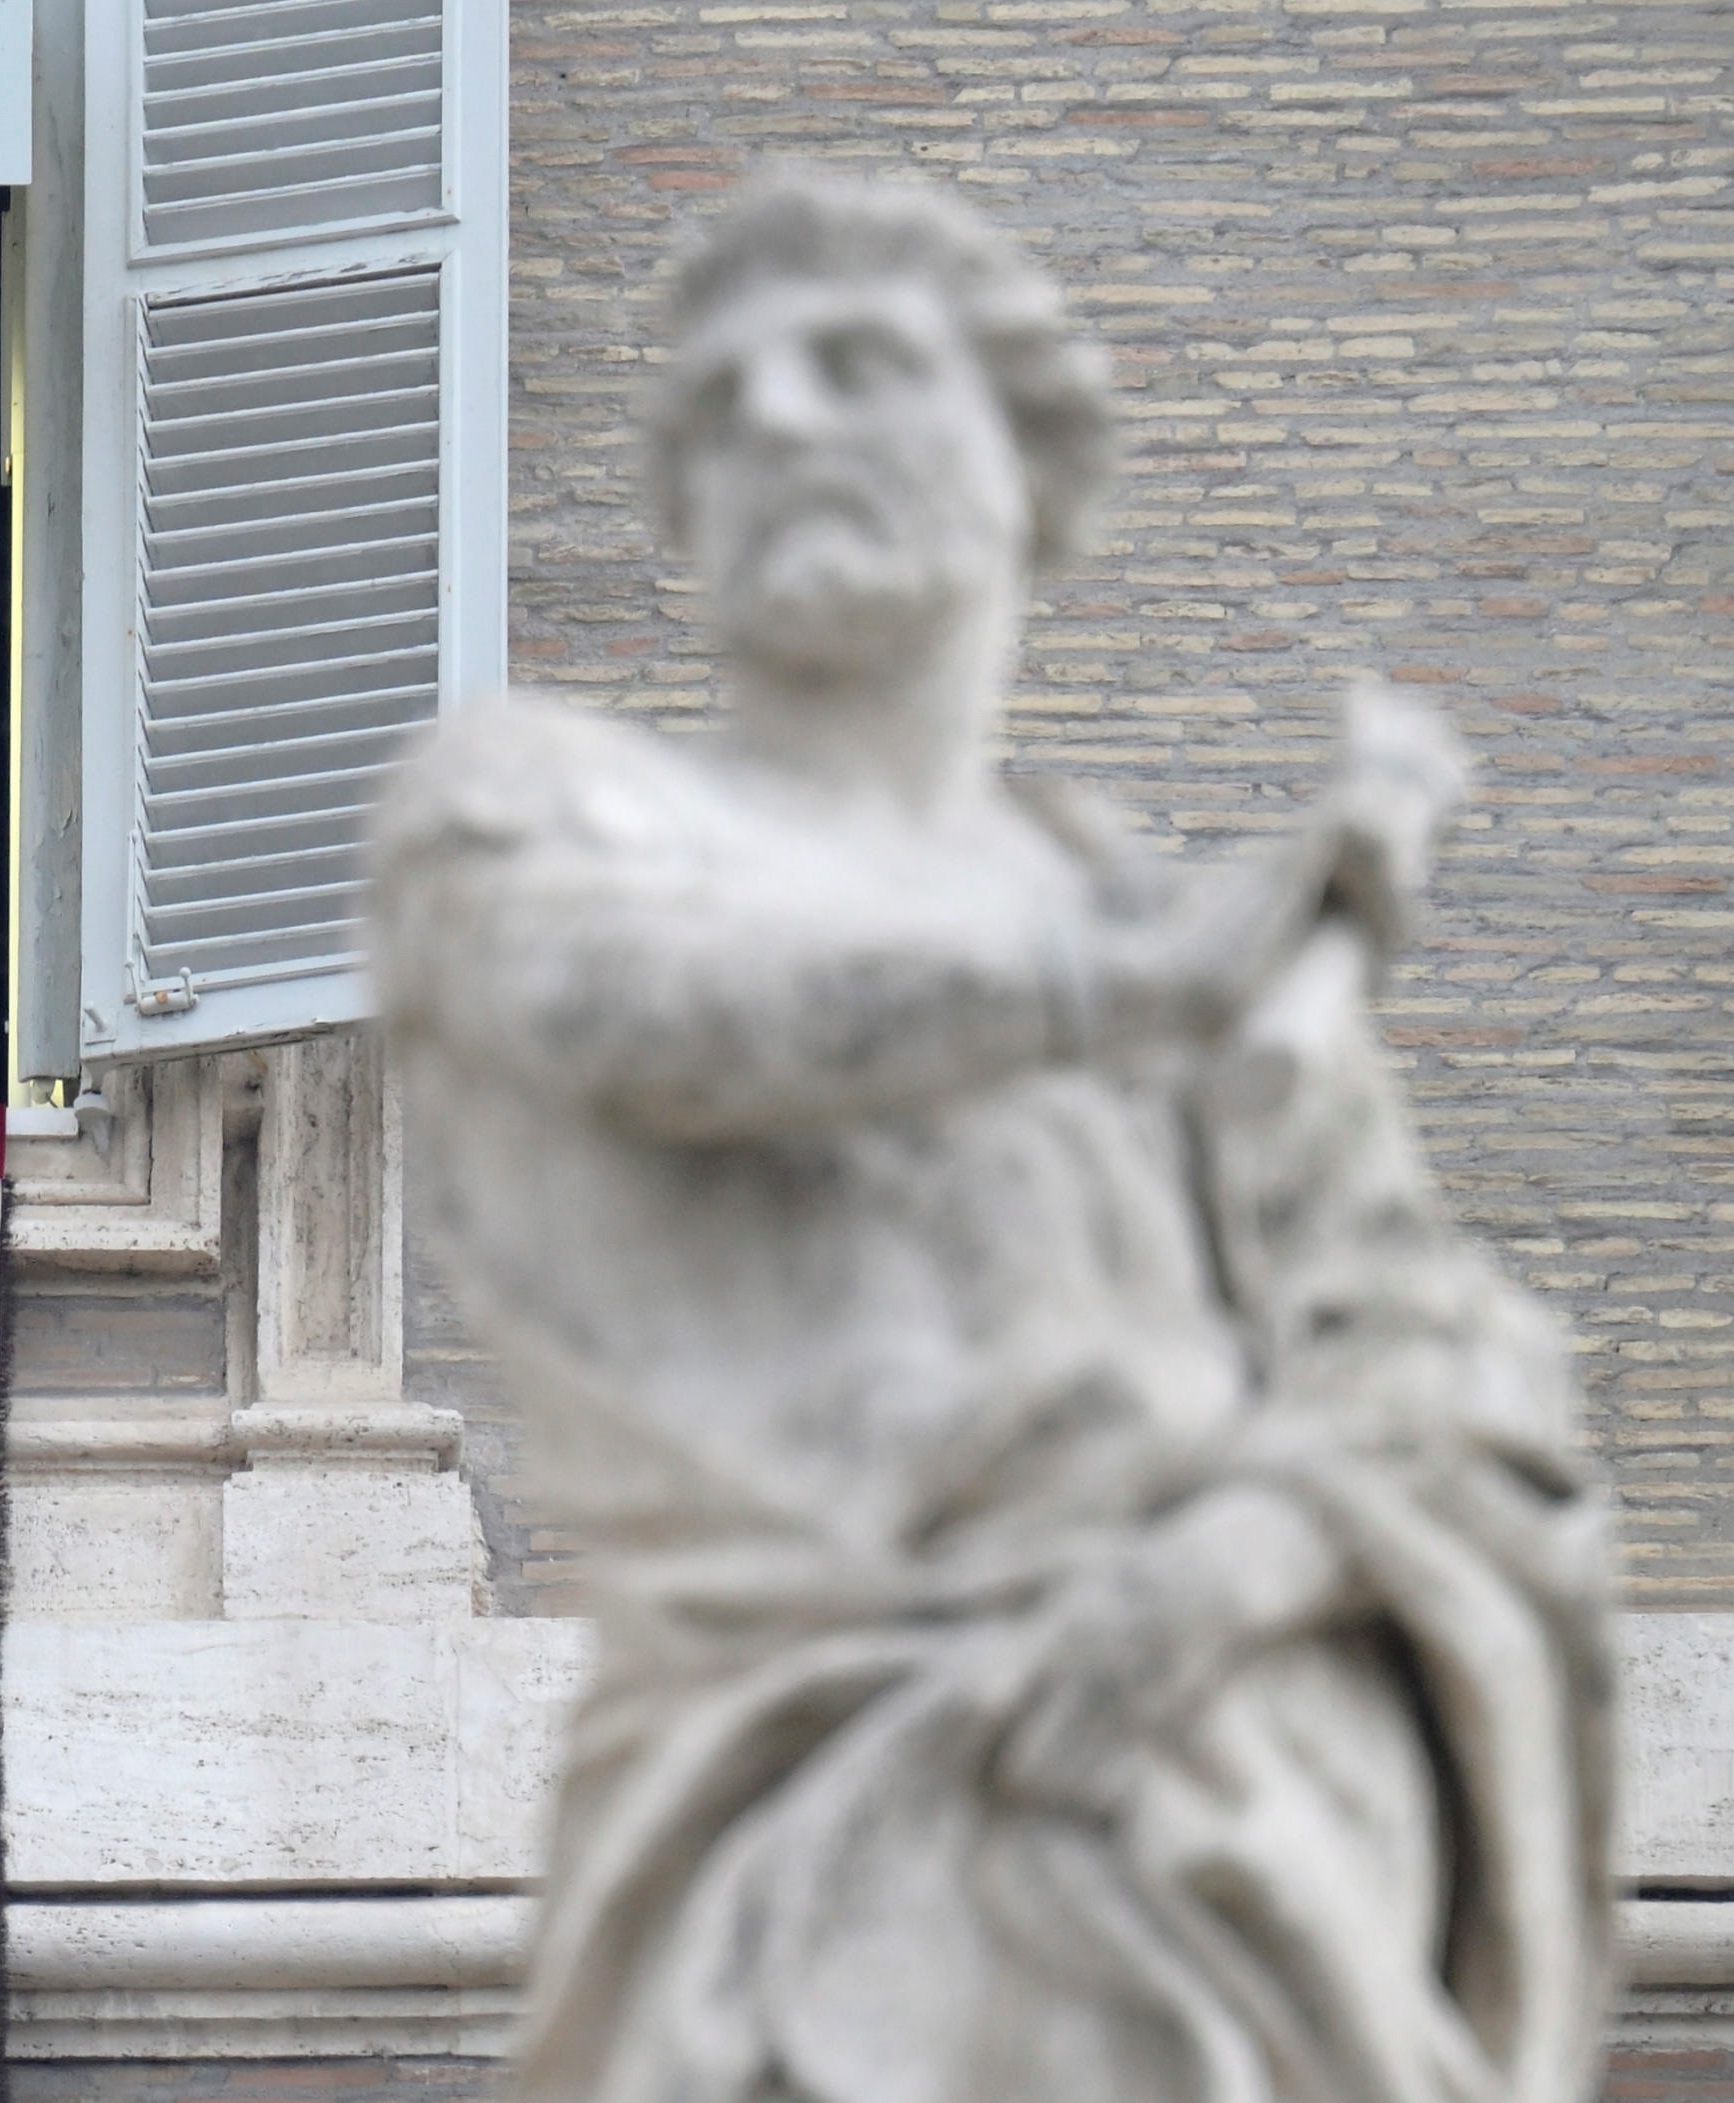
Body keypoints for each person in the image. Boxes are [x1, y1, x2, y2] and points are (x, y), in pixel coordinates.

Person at [371, 175, 1612, 2103]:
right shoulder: (551, 806)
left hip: (1263, 1837)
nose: (773, 419)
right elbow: (644, 1016)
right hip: (824, 1849)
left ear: (1026, 465)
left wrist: (1237, 1560)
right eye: (718, 404)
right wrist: (1150, 977)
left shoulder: (1148, 922)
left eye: (855, 367)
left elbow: (1445, 1363)